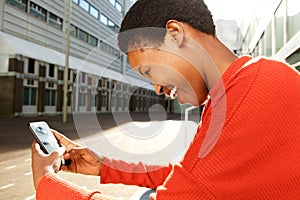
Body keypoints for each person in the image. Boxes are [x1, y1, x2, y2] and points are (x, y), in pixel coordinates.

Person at [31, 0, 300, 199]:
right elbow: (192, 175)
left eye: (149, 71)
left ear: (175, 34)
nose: (158, 88)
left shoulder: (244, 98)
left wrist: (47, 183)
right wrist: (105, 166)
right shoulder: (250, 81)